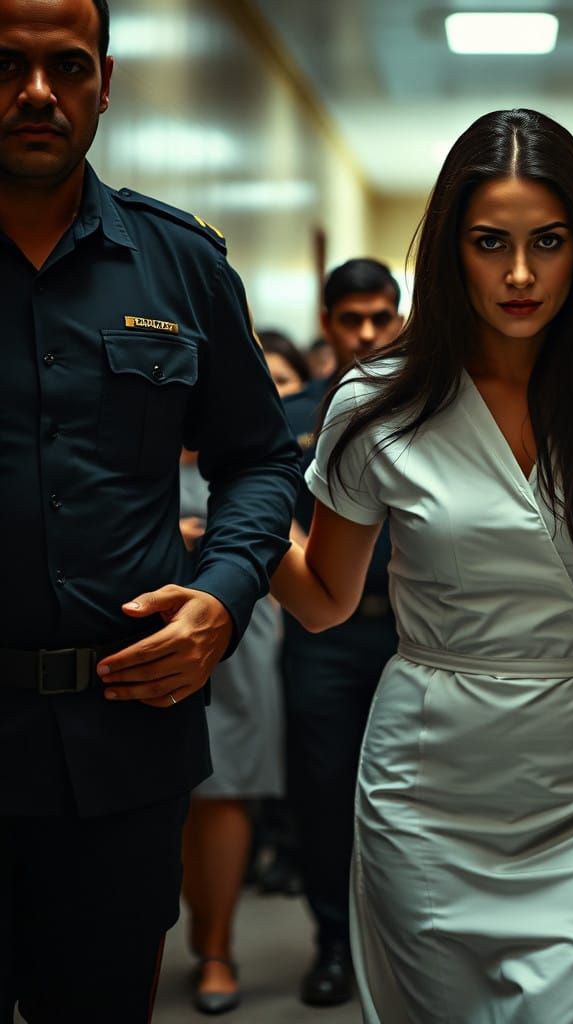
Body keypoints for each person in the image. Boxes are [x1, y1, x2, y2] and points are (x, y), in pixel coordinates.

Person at [272, 107, 573, 1023]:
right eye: (490, 243)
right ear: (451, 251)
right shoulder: (378, 403)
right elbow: (324, 600)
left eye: (548, 243)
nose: (520, 275)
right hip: (428, 781)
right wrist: (248, 501)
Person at [0, 1, 300, 1021]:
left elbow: (259, 461)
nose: (38, 91)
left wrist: (221, 596)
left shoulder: (180, 266)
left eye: (66, 66)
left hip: (122, 741)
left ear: (106, 82)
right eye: (8, 63)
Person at [280, 258, 400, 1006]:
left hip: (412, 632)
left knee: (407, 793)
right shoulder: (293, 420)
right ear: (326, 322)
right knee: (323, 793)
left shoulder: (428, 406)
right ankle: (332, 943)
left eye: (379, 318)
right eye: (350, 319)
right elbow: (269, 507)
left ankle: (400, 943)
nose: (365, 333)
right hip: (322, 635)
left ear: (398, 317)